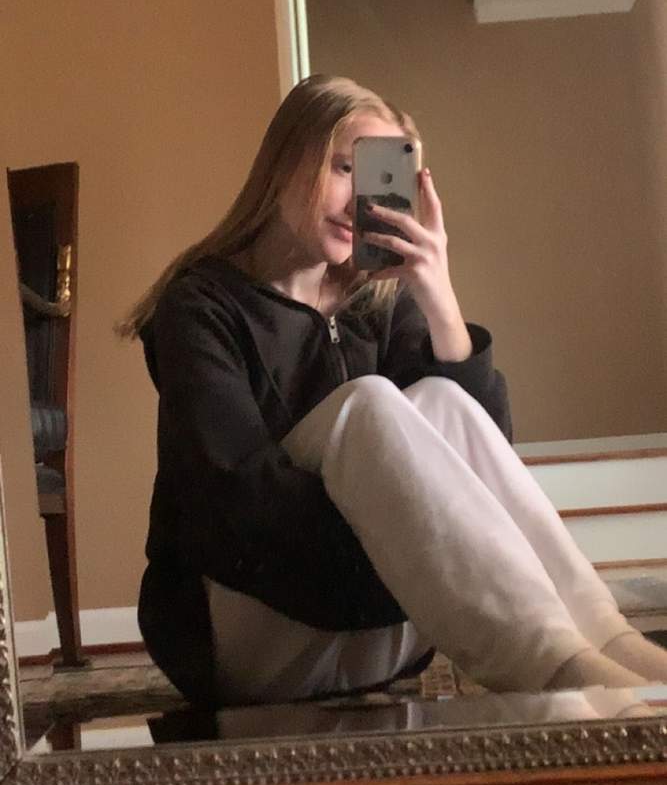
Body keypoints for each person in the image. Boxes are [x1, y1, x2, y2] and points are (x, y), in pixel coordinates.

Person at [118, 74, 667, 709]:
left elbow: (479, 465)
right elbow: (234, 507)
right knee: (372, 403)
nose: (359, 198)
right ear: (286, 159)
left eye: (378, 176)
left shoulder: (376, 303)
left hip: (387, 637)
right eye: (343, 167)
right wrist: (402, 551)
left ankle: (609, 641)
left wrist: (438, 295)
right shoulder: (201, 307)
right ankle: (558, 668)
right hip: (243, 639)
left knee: (443, 402)